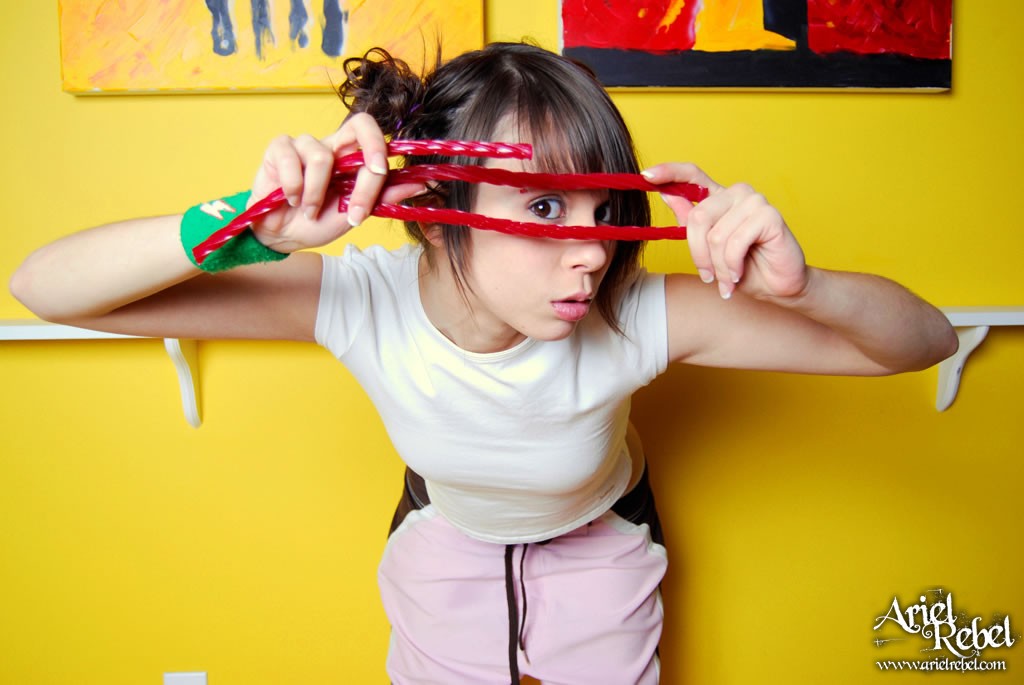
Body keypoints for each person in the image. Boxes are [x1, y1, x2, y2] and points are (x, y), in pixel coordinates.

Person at [9, 42, 957, 684]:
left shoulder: (632, 313)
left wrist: (802, 286)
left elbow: (924, 342)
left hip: (602, 535)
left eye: (602, 214)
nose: (594, 252)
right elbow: (44, 287)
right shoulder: (362, 300)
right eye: (544, 208)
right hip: (445, 537)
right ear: (434, 210)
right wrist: (247, 222)